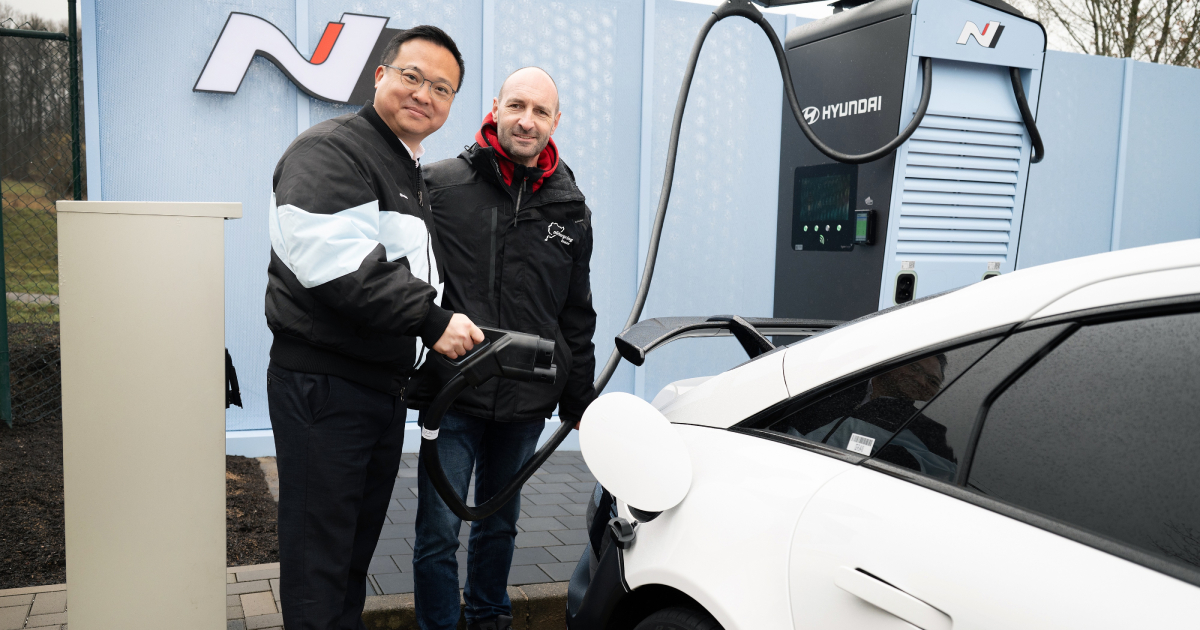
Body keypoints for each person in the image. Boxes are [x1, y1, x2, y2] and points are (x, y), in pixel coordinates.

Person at [265, 25, 485, 630]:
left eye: (442, 88)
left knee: (350, 560)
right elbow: (335, 262)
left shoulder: (404, 167)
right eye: (413, 76)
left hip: (374, 391)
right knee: (320, 565)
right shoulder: (332, 150)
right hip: (326, 389)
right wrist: (431, 321)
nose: (424, 94)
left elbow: (411, 268)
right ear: (380, 75)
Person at [406, 67, 598, 630]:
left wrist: (578, 392)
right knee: (438, 529)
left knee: (499, 523)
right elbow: (411, 282)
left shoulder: (570, 207)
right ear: (495, 107)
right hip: (453, 393)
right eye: (518, 105)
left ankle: (490, 618)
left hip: (523, 400)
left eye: (541, 111)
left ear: (555, 121)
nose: (527, 120)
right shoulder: (440, 184)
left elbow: (576, 311)